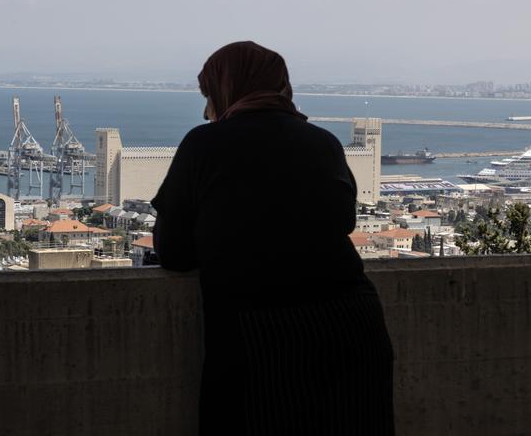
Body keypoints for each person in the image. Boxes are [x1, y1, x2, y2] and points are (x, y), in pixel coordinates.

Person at [152, 41, 394, 435]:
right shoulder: (323, 142)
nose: (206, 109)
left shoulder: (204, 145)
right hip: (352, 325)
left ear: (225, 89)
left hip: (261, 335)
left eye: (208, 96)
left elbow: (174, 253)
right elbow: (343, 221)